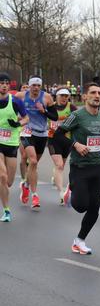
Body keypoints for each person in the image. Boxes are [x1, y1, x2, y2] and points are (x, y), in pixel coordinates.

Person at [54, 83, 100, 255]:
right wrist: (75, 144)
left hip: (98, 168)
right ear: (84, 96)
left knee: (94, 207)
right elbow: (58, 135)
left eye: (99, 93)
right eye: (93, 93)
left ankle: (79, 240)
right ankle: (71, 189)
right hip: (80, 168)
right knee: (81, 206)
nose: (97, 96)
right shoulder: (76, 115)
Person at [15, 77, 57, 209]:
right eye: (33, 85)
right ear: (29, 86)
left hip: (42, 133)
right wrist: (17, 118)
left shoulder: (47, 98)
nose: (36, 88)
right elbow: (10, 109)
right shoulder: (20, 96)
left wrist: (43, 111)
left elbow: (54, 117)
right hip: (27, 132)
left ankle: (26, 185)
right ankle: (35, 195)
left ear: (41, 86)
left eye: (38, 86)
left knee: (34, 165)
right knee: (32, 161)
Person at [0, 72, 29, 222]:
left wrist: (17, 124)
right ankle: (6, 211)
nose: (4, 85)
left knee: (9, 182)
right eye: (1, 83)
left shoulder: (16, 101)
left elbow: (26, 118)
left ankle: (3, 189)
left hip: (11, 143)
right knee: (2, 176)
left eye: (6, 83)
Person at [47, 88, 77, 205]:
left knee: (61, 166)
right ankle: (61, 193)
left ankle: (56, 177)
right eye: (62, 95)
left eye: (66, 96)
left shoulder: (72, 108)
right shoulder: (51, 107)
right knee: (59, 165)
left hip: (66, 140)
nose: (64, 98)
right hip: (53, 140)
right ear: (56, 96)